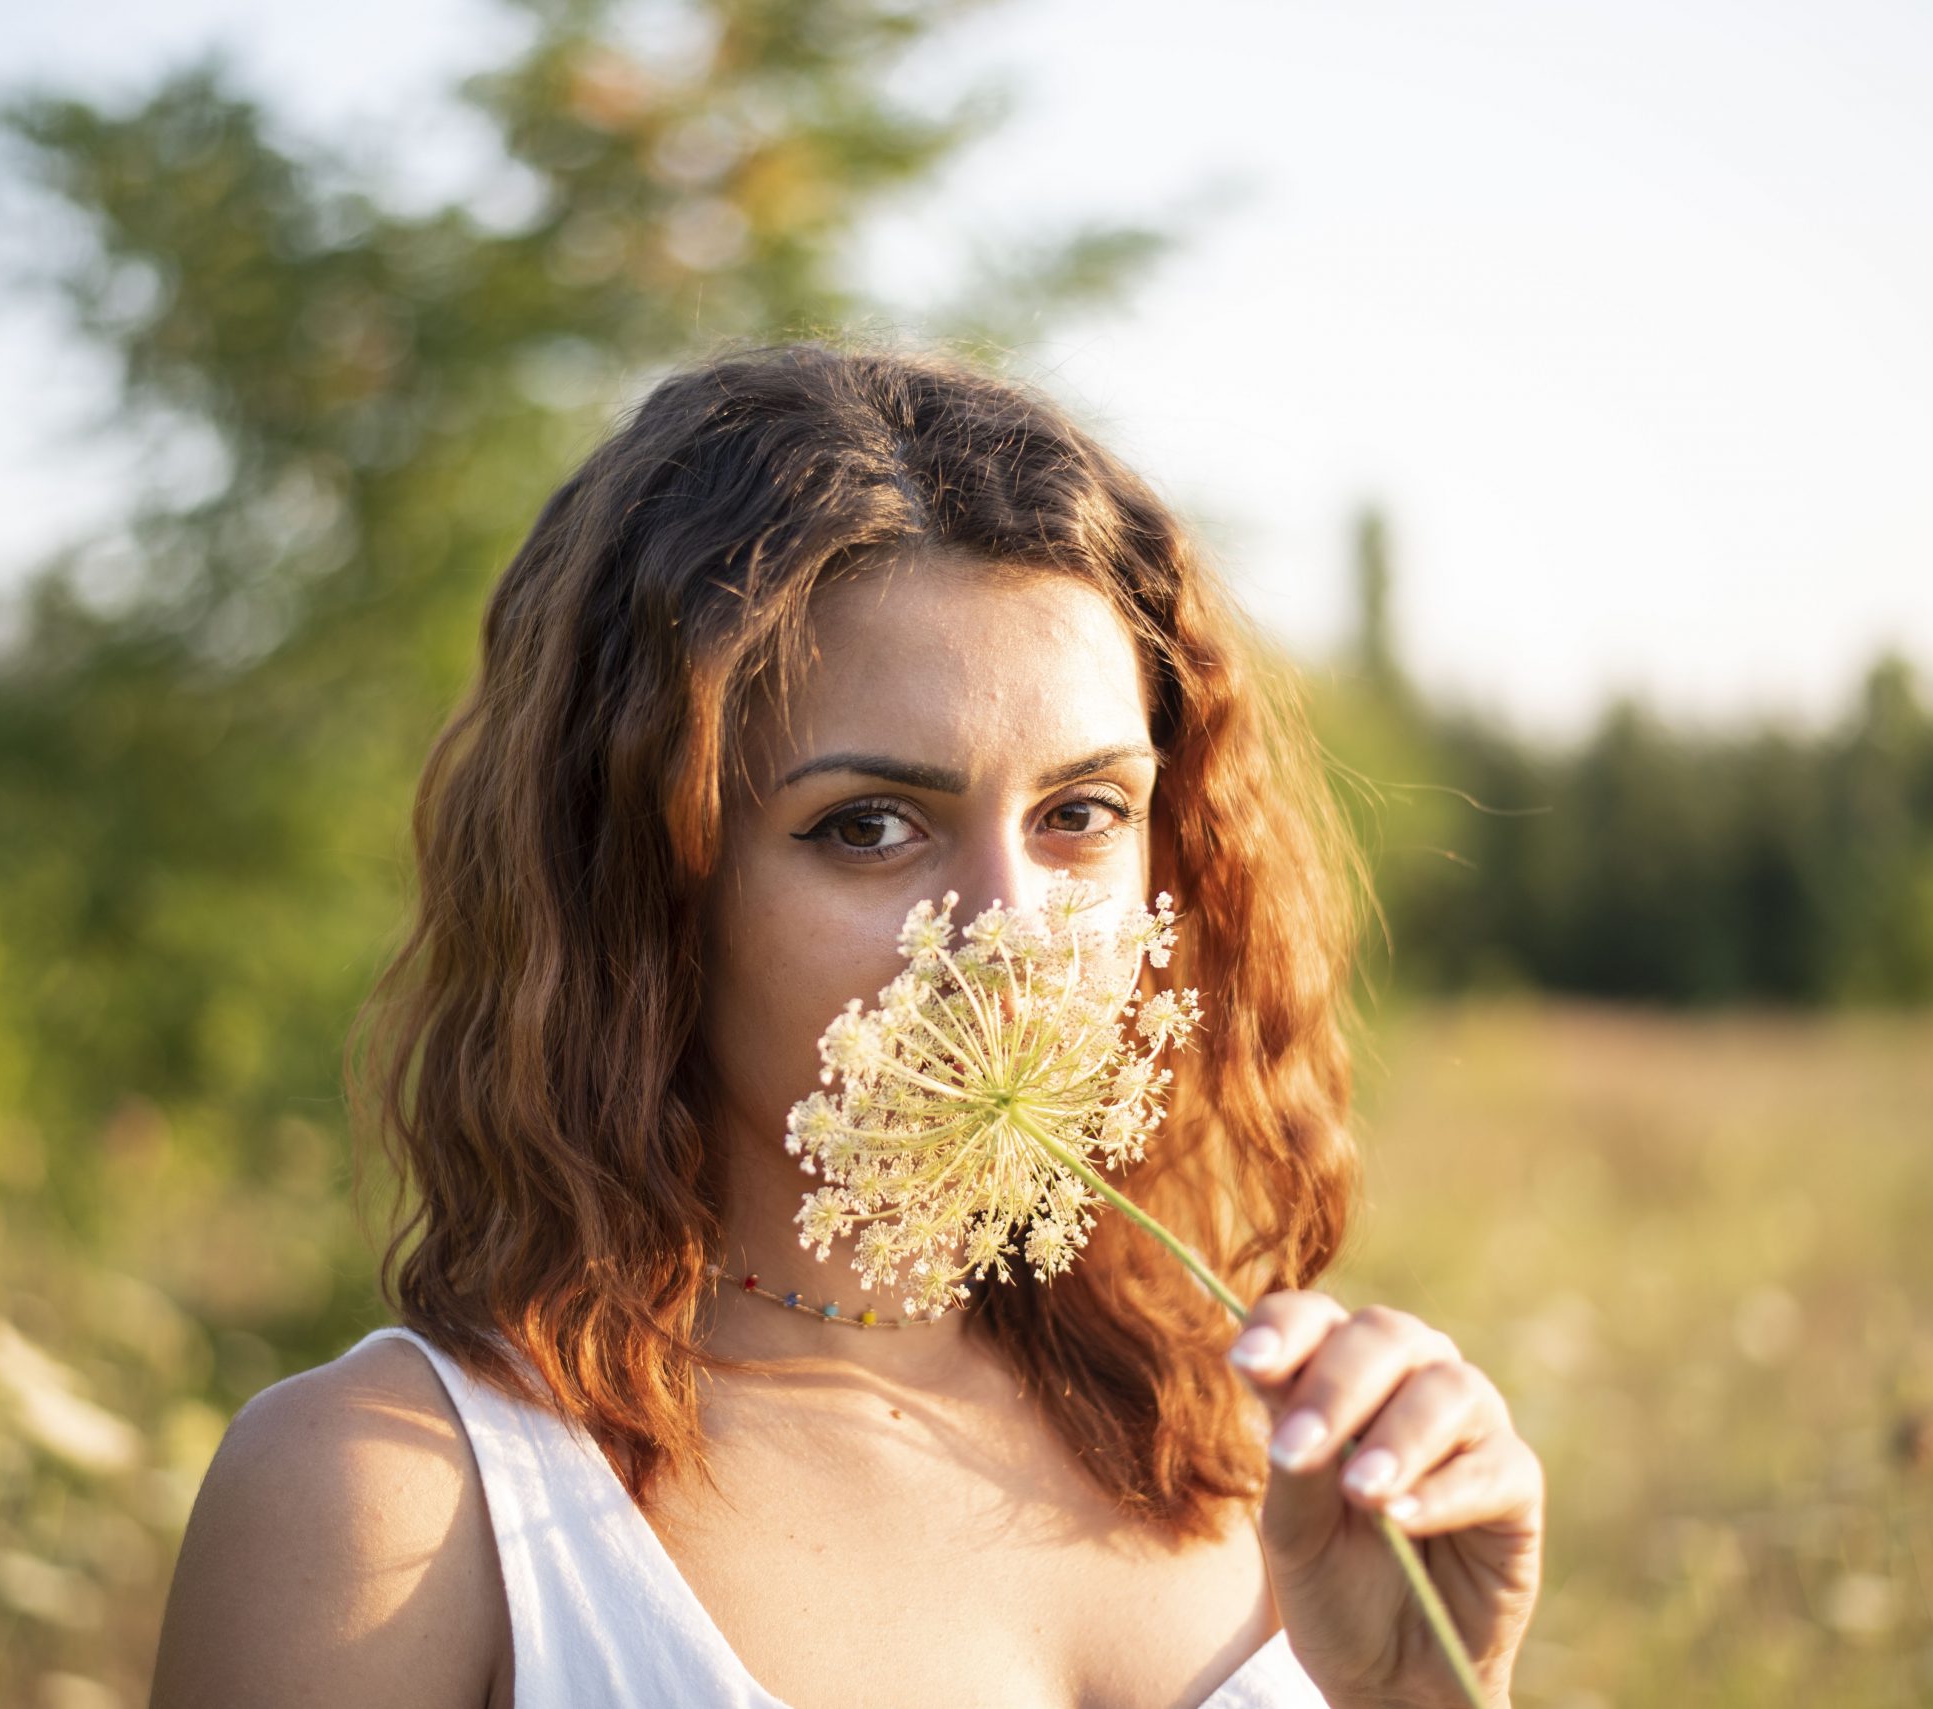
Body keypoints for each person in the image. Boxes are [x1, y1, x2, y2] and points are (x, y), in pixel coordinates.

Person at [148, 340, 1545, 1709]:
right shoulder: (398, 1505)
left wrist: (1430, 1697)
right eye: (869, 825)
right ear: (644, 883)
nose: (1012, 932)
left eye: (1082, 813)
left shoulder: (1270, 1459)